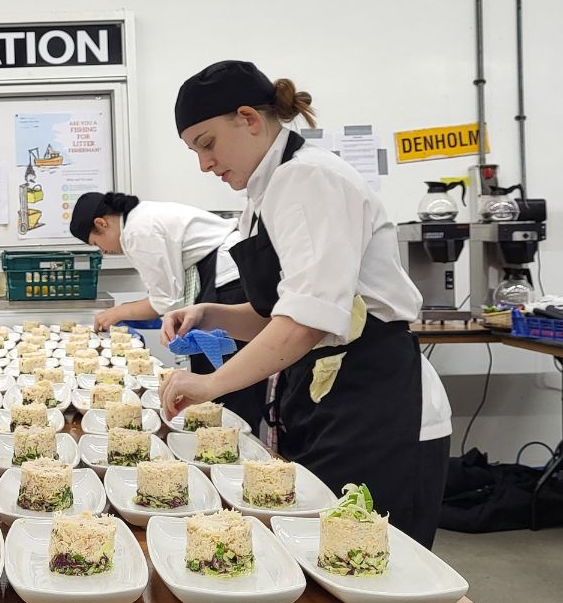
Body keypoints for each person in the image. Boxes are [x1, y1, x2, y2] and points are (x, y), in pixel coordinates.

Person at [160, 60, 452, 548]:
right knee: (321, 557)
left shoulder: (309, 178)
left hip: (375, 401)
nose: (204, 164)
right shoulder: (263, 192)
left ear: (249, 118)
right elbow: (281, 312)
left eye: (207, 144)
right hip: (329, 397)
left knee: (364, 564)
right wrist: (212, 314)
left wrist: (211, 384)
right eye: (195, 151)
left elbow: (305, 323)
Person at [68, 191, 267, 430]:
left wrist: (118, 312)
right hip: (230, 275)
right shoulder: (141, 218)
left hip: (228, 282)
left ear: (102, 223)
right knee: (226, 375)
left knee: (228, 379)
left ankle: (233, 441)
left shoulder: (137, 231)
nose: (102, 251)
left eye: (96, 243)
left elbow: (166, 302)